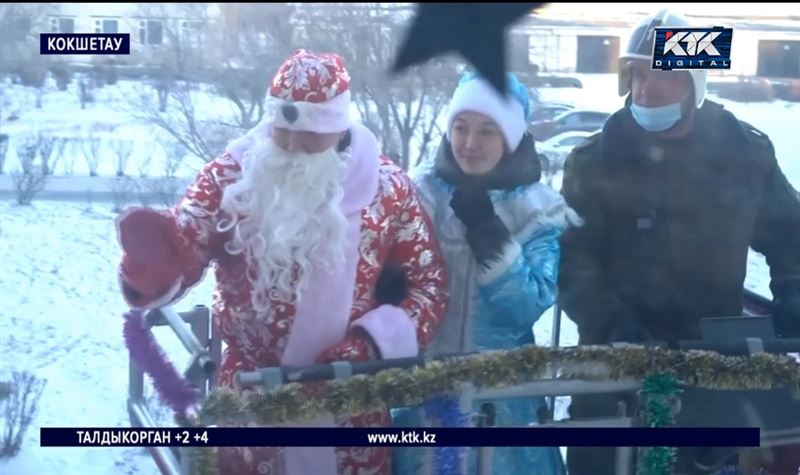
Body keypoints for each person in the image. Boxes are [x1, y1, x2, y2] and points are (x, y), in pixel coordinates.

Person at [115, 49, 449, 475]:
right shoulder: (231, 175)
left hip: (350, 411)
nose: (290, 145)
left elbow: (429, 284)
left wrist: (370, 348)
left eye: (309, 132)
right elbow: (188, 242)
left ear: (339, 125)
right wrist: (158, 266)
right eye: (282, 129)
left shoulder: (389, 190)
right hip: (251, 408)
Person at [558, 9, 800, 475]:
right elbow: (572, 260)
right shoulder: (595, 161)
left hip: (714, 368)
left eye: (664, 76)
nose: (646, 89)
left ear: (694, 83)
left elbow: (790, 232)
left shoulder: (743, 153)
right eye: (638, 74)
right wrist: (612, 324)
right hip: (612, 369)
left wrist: (793, 289)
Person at [393, 72, 580, 475]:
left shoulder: (535, 210)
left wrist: (490, 236)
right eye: (460, 128)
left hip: (502, 400)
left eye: (487, 132)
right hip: (421, 394)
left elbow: (528, 305)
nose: (470, 143)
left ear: (510, 137)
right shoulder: (419, 194)